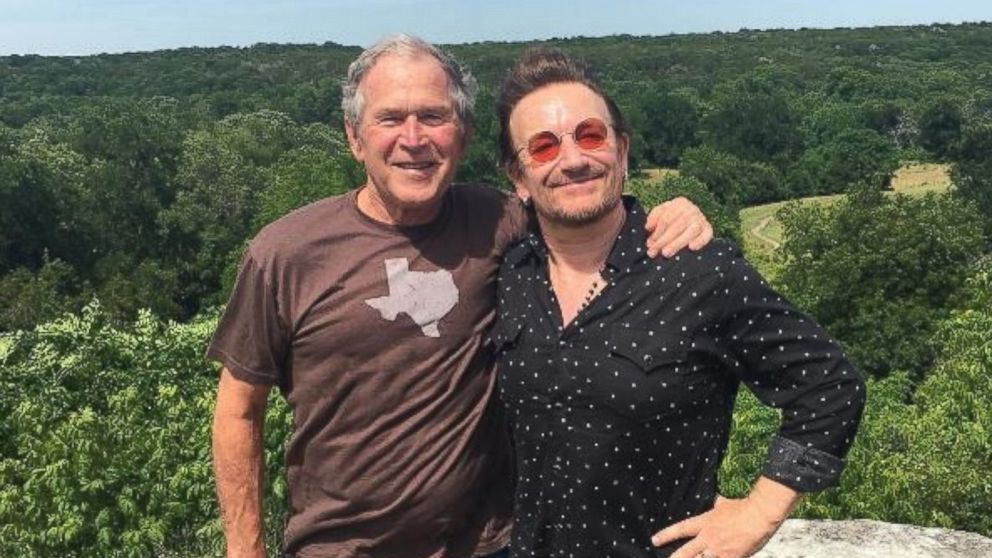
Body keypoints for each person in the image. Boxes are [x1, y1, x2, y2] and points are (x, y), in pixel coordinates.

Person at [208, 34, 714, 558]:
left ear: (464, 135)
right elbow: (239, 410)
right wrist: (245, 550)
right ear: (354, 137)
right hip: (338, 548)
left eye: (433, 117)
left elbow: (584, 210)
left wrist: (669, 214)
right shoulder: (286, 253)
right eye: (390, 119)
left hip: (489, 546)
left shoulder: (500, 221)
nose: (413, 139)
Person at [493, 48, 866, 558]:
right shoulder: (508, 273)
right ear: (518, 177)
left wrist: (758, 513)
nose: (574, 160)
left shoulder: (700, 272)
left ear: (622, 151)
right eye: (543, 147)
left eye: (590, 135)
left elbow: (831, 387)